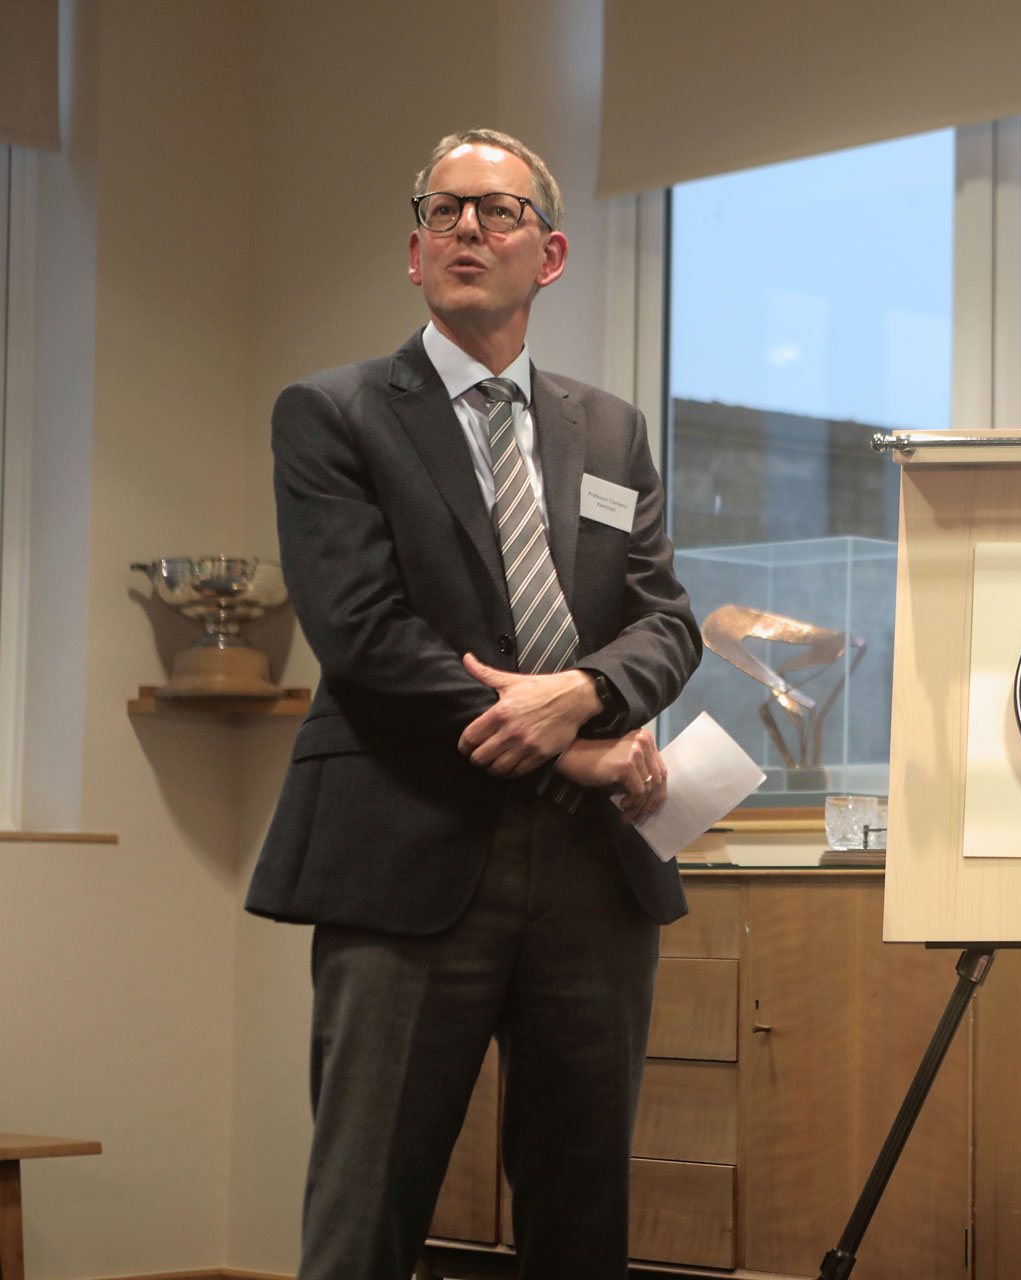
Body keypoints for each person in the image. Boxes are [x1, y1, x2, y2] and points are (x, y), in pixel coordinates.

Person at [246, 127, 700, 1280]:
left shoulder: (611, 429)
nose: (465, 230)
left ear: (547, 255)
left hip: (593, 875)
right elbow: (363, 636)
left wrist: (588, 695)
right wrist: (572, 750)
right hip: (408, 855)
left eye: (495, 214)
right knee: (367, 1212)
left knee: (581, 1216)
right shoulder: (333, 413)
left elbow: (666, 620)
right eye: (443, 211)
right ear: (413, 251)